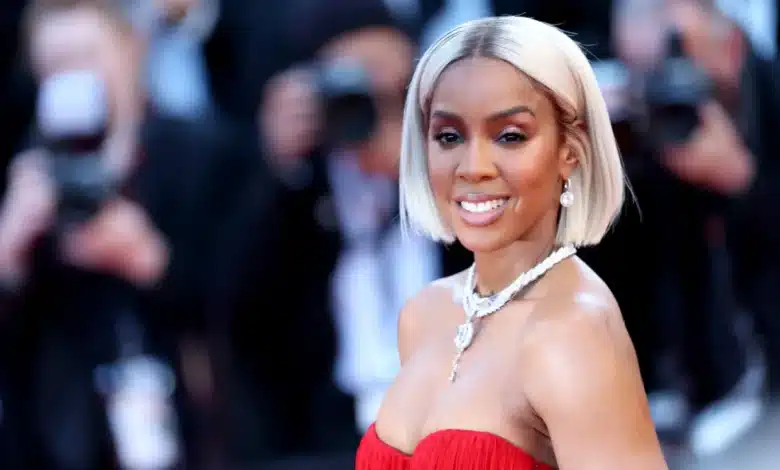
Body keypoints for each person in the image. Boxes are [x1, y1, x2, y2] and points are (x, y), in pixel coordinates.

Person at [355, 16, 667, 470]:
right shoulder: (425, 314)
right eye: (449, 136)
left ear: (569, 152)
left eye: (510, 136)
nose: (473, 166)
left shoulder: (571, 333)